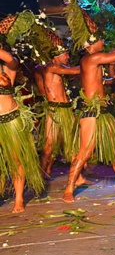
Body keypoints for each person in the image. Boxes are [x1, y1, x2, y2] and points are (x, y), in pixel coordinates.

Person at [63, 28, 115, 202]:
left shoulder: (93, 58)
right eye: (100, 40)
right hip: (92, 111)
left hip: (102, 111)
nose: (103, 43)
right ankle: (69, 188)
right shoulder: (93, 58)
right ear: (92, 44)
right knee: (85, 151)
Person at [0, 38, 44, 213]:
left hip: (10, 120)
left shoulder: (9, 66)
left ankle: (19, 199)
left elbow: (10, 59)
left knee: (16, 160)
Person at [39, 41, 80, 179]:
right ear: (56, 56)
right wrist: (90, 63)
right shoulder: (51, 67)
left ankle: (78, 178)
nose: (68, 57)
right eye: (65, 54)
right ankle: (39, 177)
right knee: (49, 146)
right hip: (55, 111)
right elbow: (74, 70)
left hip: (66, 110)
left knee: (74, 143)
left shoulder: (58, 67)